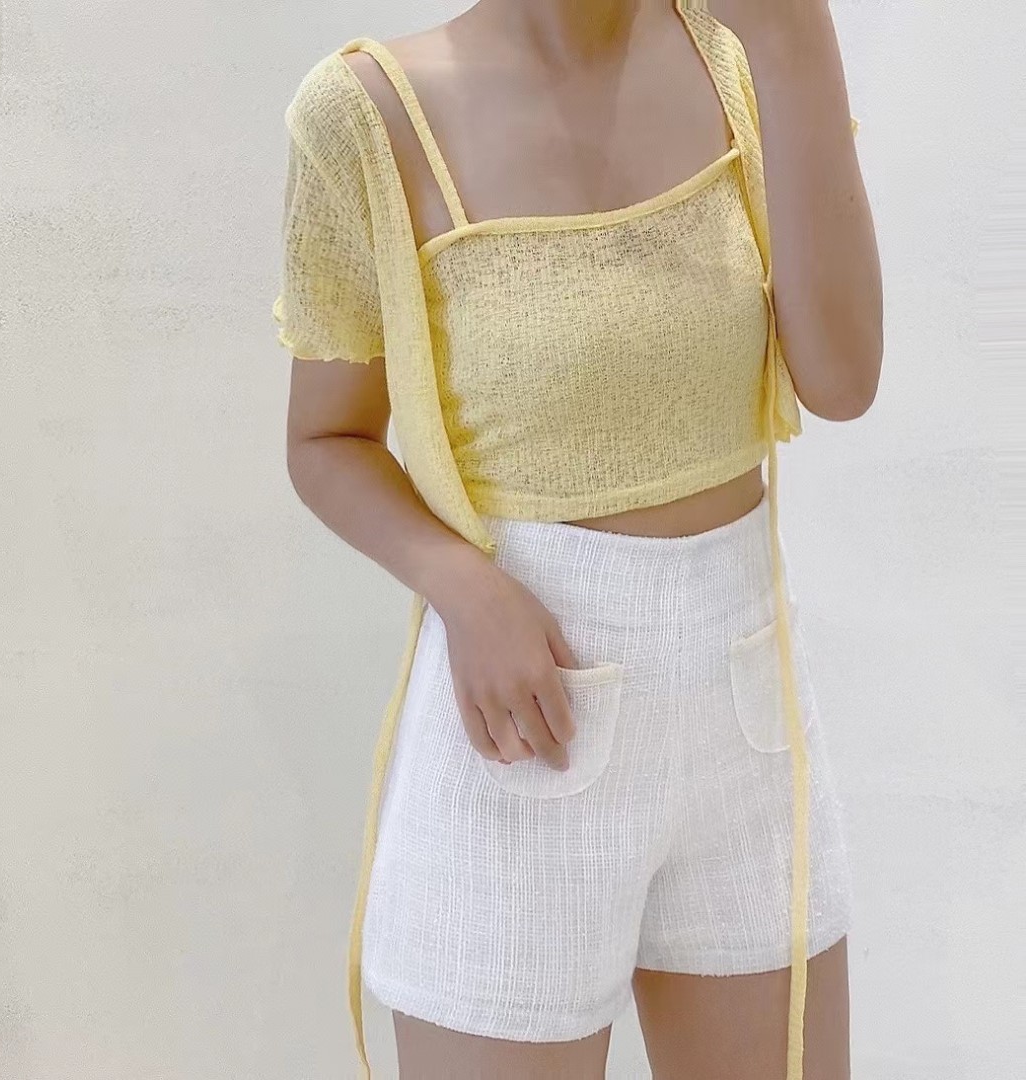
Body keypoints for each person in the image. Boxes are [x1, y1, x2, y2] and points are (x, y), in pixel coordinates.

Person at [273, 1, 882, 1077]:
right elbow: (326, 440)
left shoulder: (742, 55)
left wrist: (796, 41)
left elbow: (841, 379)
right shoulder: (367, 113)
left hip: (747, 734)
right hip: (520, 734)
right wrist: (459, 583)